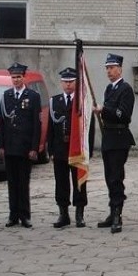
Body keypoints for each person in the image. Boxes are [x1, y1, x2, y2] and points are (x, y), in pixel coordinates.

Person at [47, 68, 94, 228]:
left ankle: (79, 214)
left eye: (71, 81)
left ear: (76, 82)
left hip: (77, 149)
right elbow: (50, 129)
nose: (68, 84)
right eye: (65, 81)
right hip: (60, 149)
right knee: (61, 183)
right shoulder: (55, 101)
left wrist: (89, 151)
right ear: (61, 83)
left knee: (79, 182)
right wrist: (51, 150)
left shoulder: (82, 102)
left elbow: (89, 128)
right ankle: (63, 214)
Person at [0, 63, 42, 228]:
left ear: (24, 77)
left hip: (24, 147)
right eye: (13, 77)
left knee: (23, 182)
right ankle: (13, 215)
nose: (16, 80)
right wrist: (0, 145)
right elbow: (1, 122)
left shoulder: (33, 96)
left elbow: (36, 125)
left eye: (18, 77)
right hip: (9, 146)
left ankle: (25, 215)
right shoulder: (6, 96)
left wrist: (34, 148)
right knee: (12, 182)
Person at [96, 53, 135, 233]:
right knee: (108, 177)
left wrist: (105, 110)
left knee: (116, 177)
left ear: (119, 68)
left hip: (120, 137)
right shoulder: (108, 89)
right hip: (108, 136)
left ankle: (118, 214)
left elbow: (123, 114)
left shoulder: (125, 89)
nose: (109, 71)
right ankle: (112, 211)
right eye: (107, 68)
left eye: (112, 68)